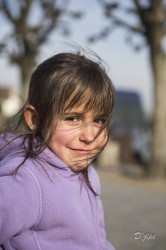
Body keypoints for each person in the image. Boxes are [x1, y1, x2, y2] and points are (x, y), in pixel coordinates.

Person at [0, 50, 115, 250]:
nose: (88, 136)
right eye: (73, 118)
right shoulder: (25, 179)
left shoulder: (88, 173)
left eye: (99, 120)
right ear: (35, 119)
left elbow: (98, 240)